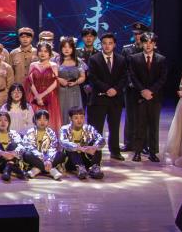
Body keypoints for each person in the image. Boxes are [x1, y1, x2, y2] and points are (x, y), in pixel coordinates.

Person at [86, 32, 128, 161]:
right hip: (99, 99)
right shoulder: (94, 59)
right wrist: (107, 89)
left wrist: (115, 89)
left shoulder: (121, 59)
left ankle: (115, 151)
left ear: (114, 44)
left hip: (115, 99)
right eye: (104, 43)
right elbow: (93, 77)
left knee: (114, 127)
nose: (107, 46)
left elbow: (124, 77)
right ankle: (94, 152)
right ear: (101, 44)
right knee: (96, 128)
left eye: (110, 43)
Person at [127, 32, 168, 162]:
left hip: (155, 97)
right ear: (142, 44)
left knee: (153, 125)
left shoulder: (161, 59)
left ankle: (153, 152)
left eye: (151, 42)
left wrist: (151, 91)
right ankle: (137, 151)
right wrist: (143, 90)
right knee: (139, 125)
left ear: (154, 44)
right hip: (139, 96)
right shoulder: (134, 58)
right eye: (145, 42)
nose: (148, 45)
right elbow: (133, 76)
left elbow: (162, 78)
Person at [60, 106, 106, 179]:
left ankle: (94, 168)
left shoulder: (89, 128)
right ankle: (80, 168)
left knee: (95, 144)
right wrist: (80, 148)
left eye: (81, 117)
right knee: (70, 146)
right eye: (76, 118)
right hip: (71, 162)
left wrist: (94, 147)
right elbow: (63, 142)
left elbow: (101, 139)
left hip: (86, 160)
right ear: (70, 118)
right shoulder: (65, 129)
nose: (79, 120)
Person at [22, 109, 63, 180]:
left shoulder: (51, 132)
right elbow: (30, 147)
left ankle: (37, 169)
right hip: (35, 157)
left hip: (48, 157)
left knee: (61, 154)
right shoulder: (30, 132)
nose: (42, 122)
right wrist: (43, 159)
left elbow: (53, 147)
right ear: (35, 120)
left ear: (48, 121)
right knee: (27, 154)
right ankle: (51, 170)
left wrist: (49, 160)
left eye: (45, 119)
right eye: (39, 119)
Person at [0, 111, 26, 181]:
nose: (3, 122)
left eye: (5, 120)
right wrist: (1, 153)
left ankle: (7, 170)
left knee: (14, 145)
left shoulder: (14, 133)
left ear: (9, 122)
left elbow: (21, 146)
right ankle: (12, 168)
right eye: (0, 120)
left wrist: (14, 153)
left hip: (11, 158)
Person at [56, 37, 88, 118]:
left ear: (73, 49)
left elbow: (83, 77)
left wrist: (76, 82)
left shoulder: (78, 61)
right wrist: (59, 79)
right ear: (61, 48)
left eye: (69, 47)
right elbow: (51, 75)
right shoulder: (55, 60)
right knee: (61, 112)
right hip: (60, 91)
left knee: (74, 113)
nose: (67, 49)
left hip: (74, 91)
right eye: (64, 47)